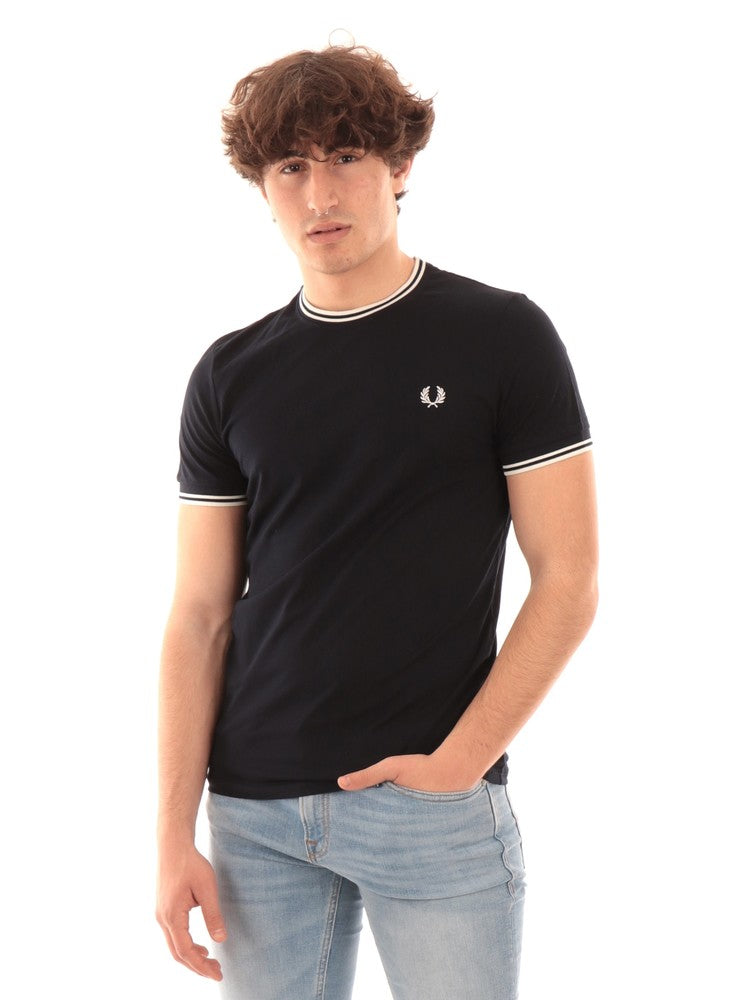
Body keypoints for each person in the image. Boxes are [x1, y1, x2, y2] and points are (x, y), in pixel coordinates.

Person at [156, 43, 598, 1000]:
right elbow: (199, 614)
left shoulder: (502, 337)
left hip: (430, 807)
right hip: (255, 815)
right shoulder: (229, 375)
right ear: (263, 187)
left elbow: (569, 579)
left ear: (400, 166)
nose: (319, 193)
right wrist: (171, 835)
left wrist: (461, 764)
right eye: (291, 166)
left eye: (347, 156)